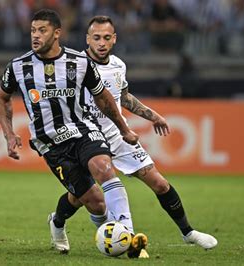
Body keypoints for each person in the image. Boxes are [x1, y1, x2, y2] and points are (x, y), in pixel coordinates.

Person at [0, 9, 148, 258]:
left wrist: (124, 129)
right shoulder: (18, 66)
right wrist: (9, 135)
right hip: (51, 143)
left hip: (83, 130)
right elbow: (2, 98)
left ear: (57, 33)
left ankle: (126, 237)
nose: (35, 36)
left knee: (104, 168)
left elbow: (104, 99)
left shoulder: (79, 62)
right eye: (33, 30)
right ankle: (57, 221)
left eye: (42, 30)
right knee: (95, 202)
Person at [77, 15, 217, 250]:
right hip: (86, 137)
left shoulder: (118, 65)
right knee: (83, 196)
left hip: (117, 135)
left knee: (160, 184)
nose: (101, 43)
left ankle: (188, 232)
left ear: (114, 39)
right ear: (88, 39)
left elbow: (123, 98)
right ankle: (60, 223)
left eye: (107, 38)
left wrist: (153, 116)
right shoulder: (75, 65)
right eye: (97, 37)